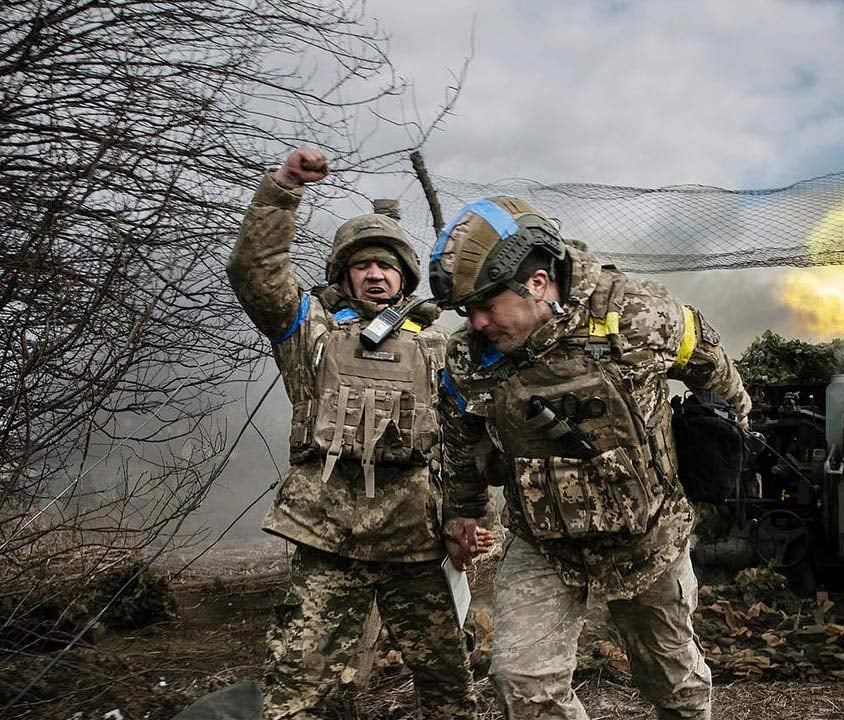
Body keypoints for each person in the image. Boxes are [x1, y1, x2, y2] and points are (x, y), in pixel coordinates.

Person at [430, 196, 751, 720]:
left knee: (673, 686)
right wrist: (463, 512)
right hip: (544, 541)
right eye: (467, 311)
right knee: (523, 683)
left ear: (537, 282)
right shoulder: (468, 356)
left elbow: (715, 370)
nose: (477, 322)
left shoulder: (636, 315)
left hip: (647, 538)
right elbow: (461, 438)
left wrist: (723, 446)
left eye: (487, 305)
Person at [226, 147, 492, 720]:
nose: (375, 274)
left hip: (413, 542)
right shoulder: (307, 327)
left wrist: (465, 522)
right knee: (297, 693)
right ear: (344, 274)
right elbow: (254, 271)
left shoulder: (437, 345)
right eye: (363, 264)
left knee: (450, 691)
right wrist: (283, 188)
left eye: (387, 265)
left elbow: (461, 439)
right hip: (328, 539)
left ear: (405, 276)